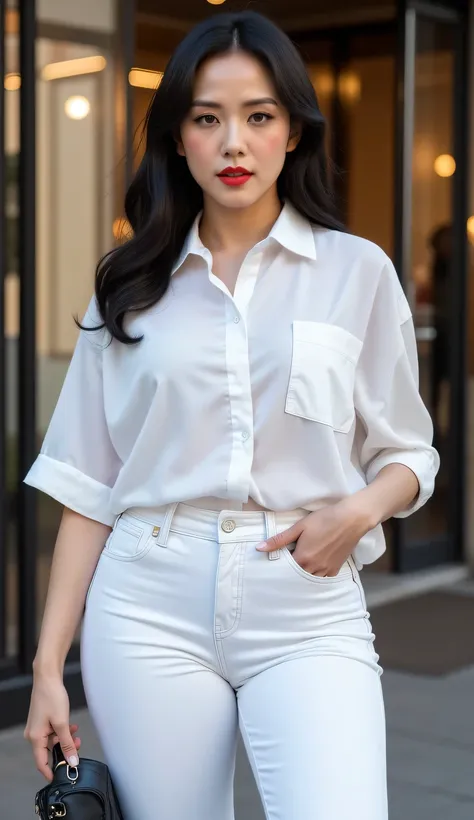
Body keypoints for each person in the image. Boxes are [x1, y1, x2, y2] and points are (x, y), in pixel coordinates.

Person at [23, 11, 439, 820]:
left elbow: (411, 455)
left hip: (307, 603)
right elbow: (87, 487)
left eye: (258, 116)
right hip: (147, 602)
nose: (233, 142)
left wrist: (356, 511)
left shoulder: (357, 272)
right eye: (208, 118)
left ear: (293, 131)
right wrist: (46, 667)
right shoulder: (129, 287)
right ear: (179, 138)